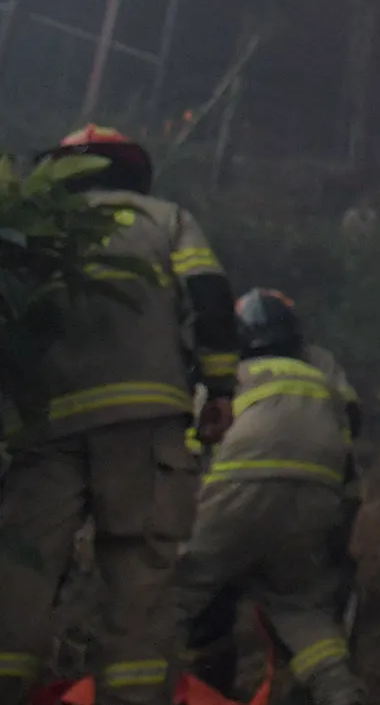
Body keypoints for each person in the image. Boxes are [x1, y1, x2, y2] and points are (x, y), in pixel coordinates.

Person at [0, 125, 239, 705]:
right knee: (142, 586)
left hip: (44, 429)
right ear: (134, 171)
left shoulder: (32, 228)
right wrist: (221, 390)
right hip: (144, 426)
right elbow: (209, 298)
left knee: (16, 583)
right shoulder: (166, 219)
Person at [173, 289, 366, 705]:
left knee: (175, 599)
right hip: (316, 497)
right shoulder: (322, 377)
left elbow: (190, 445)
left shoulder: (228, 379)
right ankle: (343, 694)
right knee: (301, 608)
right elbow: (350, 439)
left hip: (239, 491)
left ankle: (128, 691)